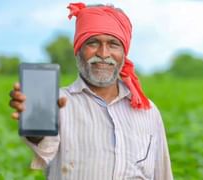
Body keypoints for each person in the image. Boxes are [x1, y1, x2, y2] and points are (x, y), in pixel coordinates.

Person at [9, 2, 173, 180]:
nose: (103, 53)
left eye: (113, 44)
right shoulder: (58, 103)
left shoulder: (148, 112)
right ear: (78, 50)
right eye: (93, 43)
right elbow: (44, 148)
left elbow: (162, 175)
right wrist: (35, 125)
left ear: (124, 53)